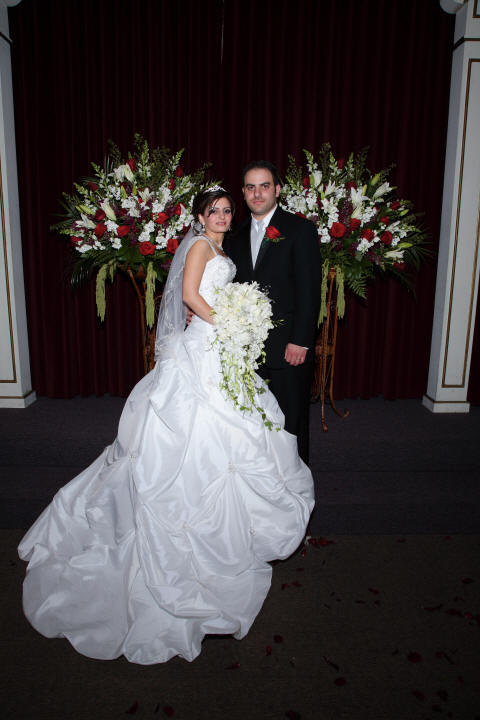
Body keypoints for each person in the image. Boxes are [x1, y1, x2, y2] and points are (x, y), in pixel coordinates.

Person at [18, 187, 314, 666]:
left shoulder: (222, 249)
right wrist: (230, 324)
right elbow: (189, 295)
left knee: (237, 435)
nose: (222, 216)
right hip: (205, 348)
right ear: (199, 216)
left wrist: (238, 322)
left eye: (227, 211)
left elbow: (209, 296)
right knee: (189, 439)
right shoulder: (199, 247)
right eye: (214, 211)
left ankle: (231, 537)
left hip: (220, 347)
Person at [224, 161, 321, 464]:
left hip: (288, 346)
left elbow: (309, 290)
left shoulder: (299, 229)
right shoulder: (235, 234)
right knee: (253, 423)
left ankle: (296, 482)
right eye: (250, 187)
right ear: (243, 193)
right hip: (247, 349)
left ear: (277, 190)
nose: (257, 193)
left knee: (291, 422)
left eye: (264, 186)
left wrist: (301, 340)